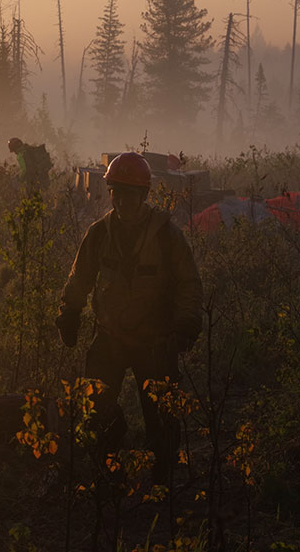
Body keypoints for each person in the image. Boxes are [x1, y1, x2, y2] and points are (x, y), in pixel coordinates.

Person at [53, 151, 202, 485]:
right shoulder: (99, 233)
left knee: (162, 418)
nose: (122, 201)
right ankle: (106, 473)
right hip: (110, 337)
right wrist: (69, 315)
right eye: (116, 193)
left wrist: (186, 325)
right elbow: (79, 280)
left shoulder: (166, 235)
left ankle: (162, 482)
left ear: (144, 196)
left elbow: (189, 283)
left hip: (156, 341)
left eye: (129, 194)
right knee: (95, 408)